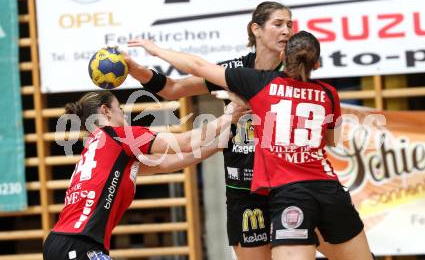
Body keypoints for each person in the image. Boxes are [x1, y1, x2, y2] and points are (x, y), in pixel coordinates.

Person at [126, 30, 375, 260]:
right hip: (330, 191)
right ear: (317, 63)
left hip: (290, 194)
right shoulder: (330, 93)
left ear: (282, 56)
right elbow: (331, 140)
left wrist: (155, 49)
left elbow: (198, 66)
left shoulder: (261, 83)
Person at [43, 90, 244, 260]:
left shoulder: (102, 148)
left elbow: (166, 163)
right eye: (120, 110)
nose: (124, 116)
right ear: (105, 111)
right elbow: (183, 142)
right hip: (78, 244)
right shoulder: (119, 136)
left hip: (64, 242)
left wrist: (219, 144)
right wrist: (227, 117)